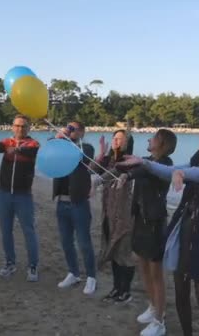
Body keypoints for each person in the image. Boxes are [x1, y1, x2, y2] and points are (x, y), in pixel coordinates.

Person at [116, 123, 199, 336]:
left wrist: (182, 173)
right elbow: (171, 171)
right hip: (184, 231)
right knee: (181, 294)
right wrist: (144, 164)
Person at [115, 128, 177, 336]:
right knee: (142, 265)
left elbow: (145, 170)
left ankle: (160, 321)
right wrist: (122, 169)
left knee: (156, 273)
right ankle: (153, 307)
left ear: (162, 144)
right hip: (140, 221)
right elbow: (128, 166)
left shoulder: (165, 164)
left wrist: (130, 173)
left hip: (154, 223)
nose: (149, 139)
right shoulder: (145, 159)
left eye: (154, 138)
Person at [0, 114, 41, 282]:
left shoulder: (33, 143)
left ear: (29, 128)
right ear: (12, 127)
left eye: (23, 126)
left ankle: (33, 266)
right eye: (17, 126)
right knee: (6, 231)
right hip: (4, 194)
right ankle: (10, 263)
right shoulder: (7, 141)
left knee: (28, 231)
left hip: (23, 195)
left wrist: (17, 149)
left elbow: (32, 150)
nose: (20, 129)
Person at [53, 121, 98, 295]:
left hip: (79, 203)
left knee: (84, 242)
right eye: (68, 128)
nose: (70, 132)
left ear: (82, 132)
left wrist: (64, 141)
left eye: (74, 129)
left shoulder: (86, 148)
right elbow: (48, 152)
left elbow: (80, 157)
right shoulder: (60, 145)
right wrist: (57, 139)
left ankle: (91, 277)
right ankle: (73, 272)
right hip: (62, 201)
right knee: (66, 241)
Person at [91, 130, 136, 303]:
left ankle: (126, 291)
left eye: (120, 139)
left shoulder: (130, 161)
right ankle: (116, 288)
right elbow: (92, 169)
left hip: (124, 214)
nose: (116, 141)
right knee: (113, 253)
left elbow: (114, 172)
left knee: (124, 254)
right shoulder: (109, 159)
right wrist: (101, 153)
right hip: (108, 213)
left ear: (127, 143)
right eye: (114, 138)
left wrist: (97, 182)